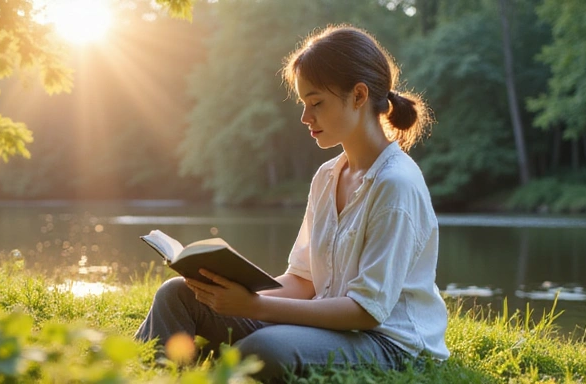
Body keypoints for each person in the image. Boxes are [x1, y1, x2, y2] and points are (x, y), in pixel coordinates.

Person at [135, 24, 449, 382]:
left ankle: (221, 358)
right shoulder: (327, 176)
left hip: (387, 343)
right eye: (303, 104)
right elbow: (303, 281)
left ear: (359, 96)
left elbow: (366, 311)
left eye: (316, 103)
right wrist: (232, 292)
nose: (305, 117)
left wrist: (254, 307)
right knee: (177, 294)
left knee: (265, 349)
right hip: (331, 327)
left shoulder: (395, 185)